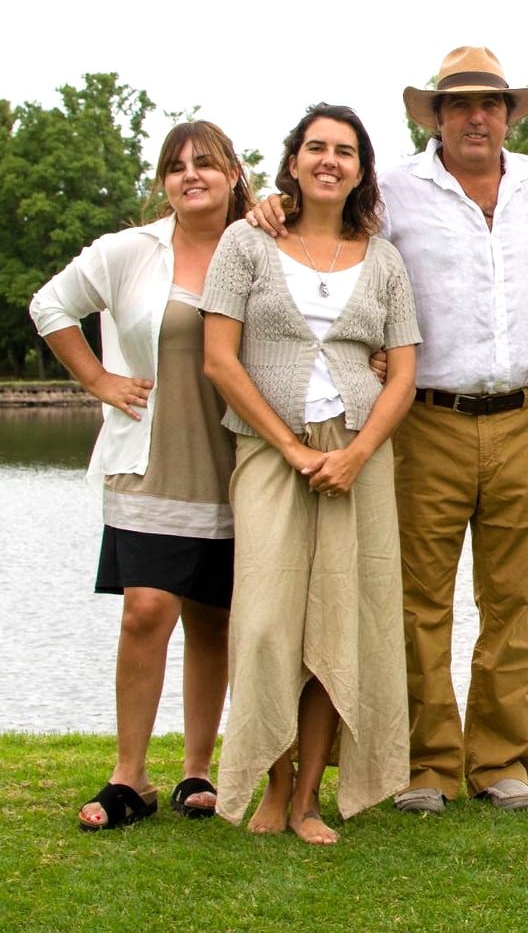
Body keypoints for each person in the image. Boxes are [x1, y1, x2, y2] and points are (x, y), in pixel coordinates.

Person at [251, 47, 528, 815]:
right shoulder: (393, 189)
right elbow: (327, 223)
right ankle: (426, 765)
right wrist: (271, 203)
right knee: (419, 599)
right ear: (437, 117)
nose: (477, 117)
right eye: (460, 105)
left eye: (491, 104)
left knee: (514, 599)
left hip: (525, 417)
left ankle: (501, 763)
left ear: (510, 114)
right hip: (427, 419)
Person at [202, 103, 420, 844]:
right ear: (293, 160)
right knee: (265, 624)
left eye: (346, 152)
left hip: (359, 457)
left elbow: (404, 374)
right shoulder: (247, 243)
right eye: (316, 147)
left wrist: (356, 454)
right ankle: (272, 779)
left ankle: (307, 803)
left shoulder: (383, 260)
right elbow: (219, 361)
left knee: (341, 625)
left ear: (361, 170)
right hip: (270, 453)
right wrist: (292, 450)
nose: (330, 160)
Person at [31, 121, 255, 830]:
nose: (192, 175)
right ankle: (129, 777)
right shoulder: (130, 252)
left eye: (207, 164)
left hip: (237, 465)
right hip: (149, 462)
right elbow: (50, 306)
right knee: (146, 612)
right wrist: (98, 378)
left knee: (213, 621)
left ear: (232, 175)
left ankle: (196, 771)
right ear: (164, 182)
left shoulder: (257, 250)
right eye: (177, 166)